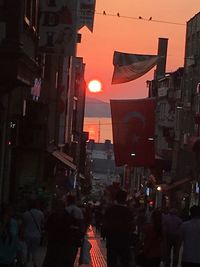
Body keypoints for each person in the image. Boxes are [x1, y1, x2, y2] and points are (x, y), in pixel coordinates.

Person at [103, 189, 133, 267]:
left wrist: (106, 234)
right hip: (124, 240)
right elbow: (131, 226)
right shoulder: (128, 211)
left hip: (112, 239)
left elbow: (105, 224)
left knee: (112, 261)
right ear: (125, 199)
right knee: (124, 261)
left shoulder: (110, 210)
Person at [42, 199, 75, 267]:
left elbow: (47, 227)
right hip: (63, 243)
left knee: (51, 259)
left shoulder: (53, 215)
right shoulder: (67, 215)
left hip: (54, 241)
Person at [23, 199, 44, 267]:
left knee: (27, 249)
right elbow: (42, 223)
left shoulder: (26, 214)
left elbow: (24, 224)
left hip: (27, 234)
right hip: (37, 235)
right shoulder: (40, 213)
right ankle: (35, 263)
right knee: (35, 250)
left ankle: (26, 262)